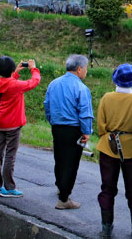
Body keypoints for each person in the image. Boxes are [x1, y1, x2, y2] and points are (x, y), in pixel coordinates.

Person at [97, 63, 132, 238]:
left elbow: (101, 126)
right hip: (131, 147)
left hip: (108, 146)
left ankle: (106, 228)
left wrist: (107, 134)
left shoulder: (106, 98)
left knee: (107, 187)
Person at [44, 54, 94, 210]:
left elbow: (47, 105)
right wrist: (86, 132)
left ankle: (60, 186)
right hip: (73, 129)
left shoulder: (54, 84)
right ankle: (64, 198)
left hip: (57, 127)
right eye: (85, 69)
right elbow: (85, 113)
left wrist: (53, 121)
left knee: (59, 159)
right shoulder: (81, 88)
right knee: (71, 163)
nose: (85, 72)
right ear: (79, 69)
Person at [0, 56, 40, 198]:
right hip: (13, 124)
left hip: (0, 122)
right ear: (11, 69)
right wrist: (33, 69)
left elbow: (8, 82)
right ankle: (9, 187)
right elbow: (34, 82)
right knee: (10, 155)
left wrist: (15, 73)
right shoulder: (16, 86)